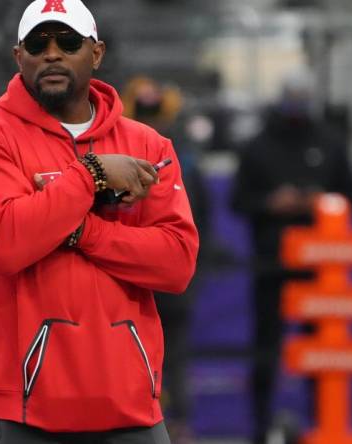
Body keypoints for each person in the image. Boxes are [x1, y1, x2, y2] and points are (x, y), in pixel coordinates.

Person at [0, 1, 199, 443]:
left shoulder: (147, 143)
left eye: (67, 41)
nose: (52, 53)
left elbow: (176, 264)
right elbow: (5, 242)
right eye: (37, 43)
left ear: (96, 53)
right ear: (18, 56)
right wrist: (94, 175)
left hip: (130, 403)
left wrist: (80, 230)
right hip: (22, 406)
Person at [229, 70, 352, 444]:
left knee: (325, 351)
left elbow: (351, 195)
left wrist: (320, 202)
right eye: (293, 96)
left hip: (322, 268)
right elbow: (238, 201)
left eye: (305, 95)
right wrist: (272, 203)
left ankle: (325, 424)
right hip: (272, 265)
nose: (298, 103)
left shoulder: (331, 143)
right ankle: (260, 427)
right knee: (266, 351)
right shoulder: (257, 146)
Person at [122, 76, 210, 443]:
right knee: (139, 352)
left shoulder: (180, 160)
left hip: (162, 274)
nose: (152, 121)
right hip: (137, 272)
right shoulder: (125, 156)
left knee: (170, 354)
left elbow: (200, 223)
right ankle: (146, 420)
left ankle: (174, 423)